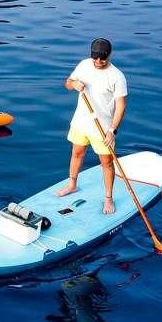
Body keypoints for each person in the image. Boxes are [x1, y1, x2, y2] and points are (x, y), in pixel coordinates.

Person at [56, 38, 127, 215]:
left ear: (109, 55)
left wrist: (112, 130)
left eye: (102, 58)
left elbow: (121, 106)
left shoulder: (117, 77)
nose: (98, 61)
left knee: (106, 163)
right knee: (77, 153)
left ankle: (108, 198)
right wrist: (73, 84)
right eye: (95, 57)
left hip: (103, 127)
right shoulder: (84, 65)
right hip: (81, 122)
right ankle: (72, 184)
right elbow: (67, 83)